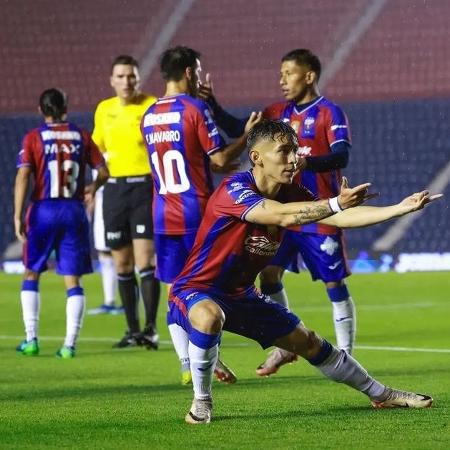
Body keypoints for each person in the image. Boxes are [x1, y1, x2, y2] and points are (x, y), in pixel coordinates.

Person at [168, 120, 438, 424]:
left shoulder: (292, 192)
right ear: (256, 157)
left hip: (242, 295)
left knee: (310, 342)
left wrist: (398, 208)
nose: (293, 157)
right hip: (196, 289)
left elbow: (340, 218)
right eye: (283, 151)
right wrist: (335, 203)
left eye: (295, 150)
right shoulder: (234, 189)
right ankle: (201, 402)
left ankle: (382, 394)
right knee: (208, 316)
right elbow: (281, 215)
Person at [199, 49, 359, 375]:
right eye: (281, 73)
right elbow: (245, 132)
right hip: (280, 212)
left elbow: (340, 155)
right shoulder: (277, 112)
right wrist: (213, 105)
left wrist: (306, 161)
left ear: (309, 76)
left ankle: (345, 353)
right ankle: (283, 347)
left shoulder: (330, 112)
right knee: (268, 273)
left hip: (316, 212)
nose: (282, 80)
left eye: (289, 72)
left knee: (333, 282)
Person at [142, 45, 262, 384]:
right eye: (197, 70)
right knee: (208, 286)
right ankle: (205, 358)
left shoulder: (149, 115)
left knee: (175, 288)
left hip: (163, 213)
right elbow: (219, 161)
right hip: (196, 213)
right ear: (188, 73)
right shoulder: (194, 109)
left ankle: (186, 362)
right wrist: (246, 136)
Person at [14, 88, 109, 358]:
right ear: (65, 107)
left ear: (41, 110)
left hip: (43, 209)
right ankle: (69, 345)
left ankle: (31, 339)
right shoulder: (81, 135)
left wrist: (17, 215)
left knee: (31, 273)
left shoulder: (33, 137)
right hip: (74, 211)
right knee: (73, 279)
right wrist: (92, 186)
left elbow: (23, 177)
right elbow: (104, 171)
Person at [93, 55, 161, 348]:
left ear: (138, 78)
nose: (126, 81)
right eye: (120, 76)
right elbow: (99, 152)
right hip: (114, 191)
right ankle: (132, 330)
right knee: (121, 263)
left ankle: (150, 329)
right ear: (112, 80)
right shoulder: (104, 109)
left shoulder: (151, 105)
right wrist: (91, 186)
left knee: (145, 261)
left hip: (144, 187)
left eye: (131, 76)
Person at [86, 170, 122, 315]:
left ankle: (129, 303)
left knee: (124, 254)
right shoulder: (98, 157)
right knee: (104, 253)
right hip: (102, 209)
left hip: (120, 206)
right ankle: (109, 302)